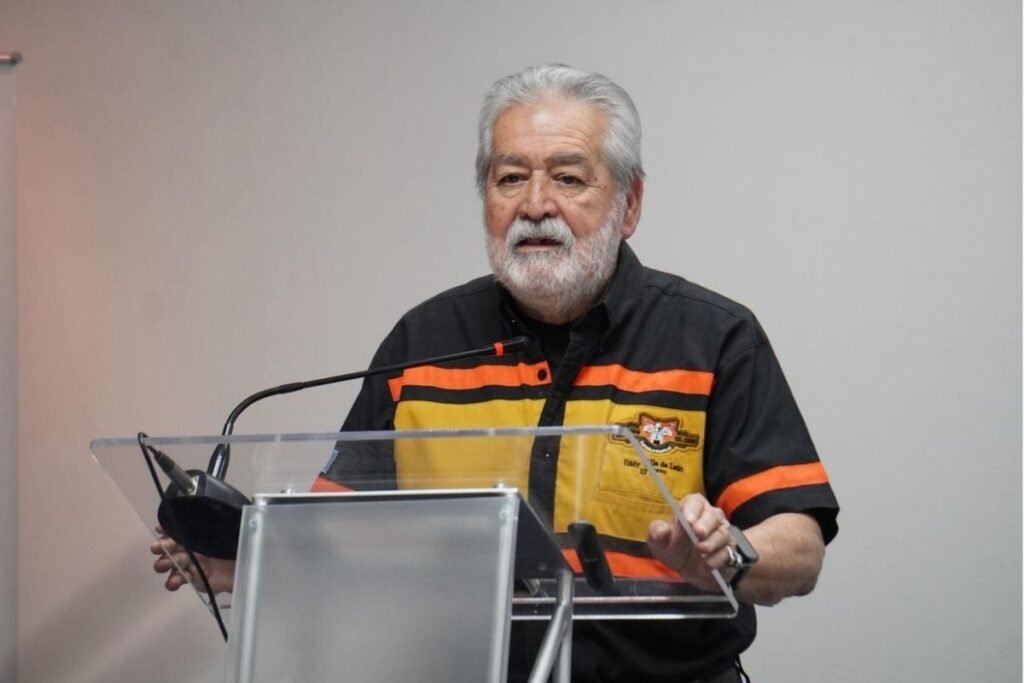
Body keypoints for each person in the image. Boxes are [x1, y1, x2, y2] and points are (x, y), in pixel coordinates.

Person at [153, 64, 839, 683]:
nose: (535, 204)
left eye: (568, 178)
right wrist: (247, 563)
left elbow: (800, 547)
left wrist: (726, 553)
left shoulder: (713, 338)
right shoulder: (422, 342)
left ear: (629, 204)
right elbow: (335, 539)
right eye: (510, 178)